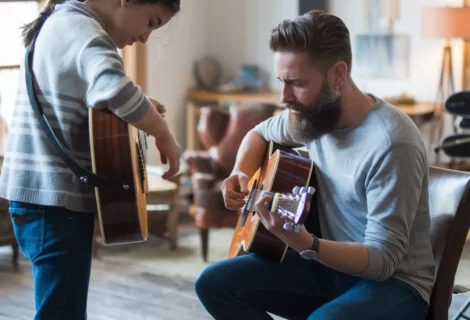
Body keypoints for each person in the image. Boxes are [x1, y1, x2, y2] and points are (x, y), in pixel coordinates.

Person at [195, 10, 435, 320]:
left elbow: (383, 261)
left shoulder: (391, 143)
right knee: (213, 284)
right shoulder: (312, 116)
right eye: (282, 81)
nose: (284, 97)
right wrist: (240, 171)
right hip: (328, 267)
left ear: (338, 74)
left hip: (395, 285)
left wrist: (308, 244)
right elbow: (258, 133)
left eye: (296, 83)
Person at [0, 0, 182, 319]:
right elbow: (114, 87)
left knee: (60, 308)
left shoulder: (62, 21)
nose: (145, 37)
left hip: (39, 196)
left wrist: (138, 108)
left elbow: (86, 98)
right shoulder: (83, 29)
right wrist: (163, 132)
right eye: (151, 22)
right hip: (55, 201)